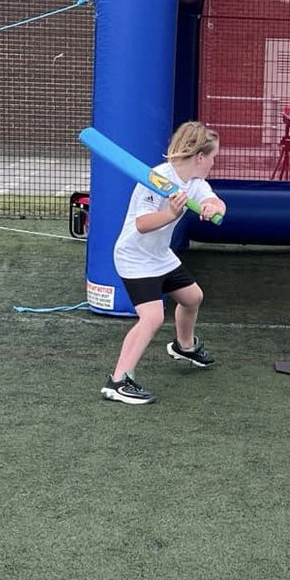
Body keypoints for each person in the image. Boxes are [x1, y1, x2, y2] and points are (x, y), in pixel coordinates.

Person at [101, 121, 227, 405]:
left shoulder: (194, 183)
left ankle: (184, 346)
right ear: (200, 157)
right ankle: (118, 381)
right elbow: (143, 224)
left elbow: (217, 202)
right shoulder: (156, 179)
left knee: (193, 297)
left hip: (160, 256)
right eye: (213, 157)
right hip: (134, 257)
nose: (214, 162)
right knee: (153, 317)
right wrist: (171, 212)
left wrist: (212, 207)